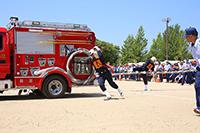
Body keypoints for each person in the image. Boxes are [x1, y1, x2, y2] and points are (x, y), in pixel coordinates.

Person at [184, 27, 200, 115]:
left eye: (187, 36)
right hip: (199, 68)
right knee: (197, 86)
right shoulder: (191, 45)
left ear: (192, 36)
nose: (186, 38)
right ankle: (199, 107)